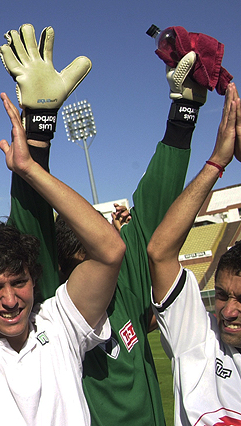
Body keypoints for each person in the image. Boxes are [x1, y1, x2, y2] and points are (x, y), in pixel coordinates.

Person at [1, 23, 211, 425]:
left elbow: (153, 207)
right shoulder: (51, 304)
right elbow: (30, 229)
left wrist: (184, 115)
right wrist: (38, 131)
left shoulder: (125, 286)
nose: (114, 246)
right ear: (69, 263)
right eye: (98, 244)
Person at [0, 92, 124, 425]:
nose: (11, 299)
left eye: (19, 282)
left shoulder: (60, 324)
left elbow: (110, 251)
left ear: (34, 280)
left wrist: (30, 169)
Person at [148, 83, 241, 426]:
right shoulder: (200, 339)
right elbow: (160, 251)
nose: (227, 311)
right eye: (221, 295)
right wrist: (217, 162)